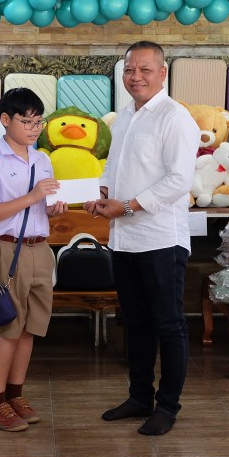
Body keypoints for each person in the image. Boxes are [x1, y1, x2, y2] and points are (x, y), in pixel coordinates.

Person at [84, 41, 198, 436]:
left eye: (145, 69)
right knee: (135, 323)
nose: (136, 77)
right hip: (124, 240)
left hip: (160, 239)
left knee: (169, 325)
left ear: (162, 73)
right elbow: (113, 168)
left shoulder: (175, 117)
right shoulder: (124, 117)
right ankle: (139, 397)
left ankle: (167, 406)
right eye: (130, 70)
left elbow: (179, 180)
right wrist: (101, 193)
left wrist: (128, 206)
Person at [0, 87, 66, 431]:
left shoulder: (42, 160)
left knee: (30, 329)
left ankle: (14, 396)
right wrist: (32, 196)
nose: (34, 129)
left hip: (40, 249)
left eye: (38, 122)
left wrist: (52, 209)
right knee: (8, 329)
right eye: (26, 121)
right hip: (4, 249)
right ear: (5, 120)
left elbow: (41, 209)